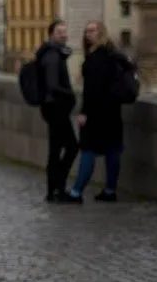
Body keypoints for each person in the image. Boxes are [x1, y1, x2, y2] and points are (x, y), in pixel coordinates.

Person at [63, 21, 124, 203]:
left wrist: (84, 112)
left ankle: (76, 193)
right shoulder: (113, 53)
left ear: (101, 33)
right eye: (87, 30)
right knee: (113, 151)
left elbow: (92, 90)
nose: (88, 34)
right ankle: (110, 190)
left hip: (97, 113)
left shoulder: (96, 58)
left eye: (92, 30)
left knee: (88, 150)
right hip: (113, 110)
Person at [36, 19, 78, 202]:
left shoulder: (51, 53)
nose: (64, 35)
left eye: (65, 32)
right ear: (51, 34)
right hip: (56, 108)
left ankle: (53, 190)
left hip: (51, 107)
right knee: (72, 147)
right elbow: (52, 85)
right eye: (60, 32)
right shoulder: (53, 56)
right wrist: (69, 92)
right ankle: (58, 188)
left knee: (55, 149)